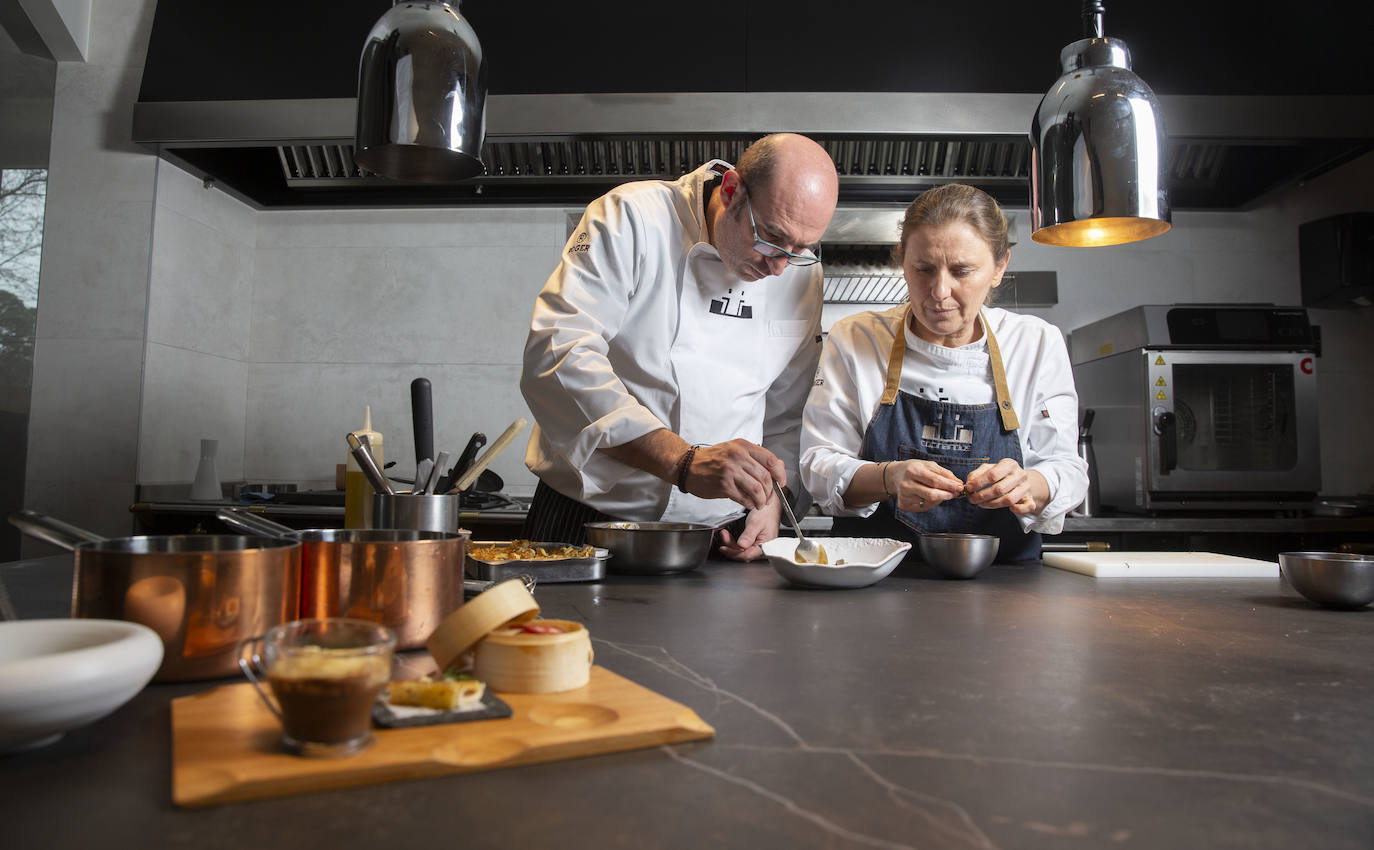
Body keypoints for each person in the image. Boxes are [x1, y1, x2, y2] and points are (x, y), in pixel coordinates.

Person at [520, 133, 840, 560]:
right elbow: (558, 351)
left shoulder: (802, 273)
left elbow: (787, 408)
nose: (781, 267)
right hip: (590, 521)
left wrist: (772, 501)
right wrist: (681, 461)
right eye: (771, 238)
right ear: (731, 191)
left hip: (722, 538)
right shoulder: (633, 217)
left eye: (802, 249)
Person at [800, 184, 1087, 562]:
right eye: (923, 269)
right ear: (902, 260)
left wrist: (1027, 484)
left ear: (1000, 267)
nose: (939, 291)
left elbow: (1067, 469)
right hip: (871, 577)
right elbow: (818, 463)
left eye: (962, 271)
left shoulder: (1035, 343)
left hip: (1004, 587)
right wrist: (889, 478)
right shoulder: (856, 338)